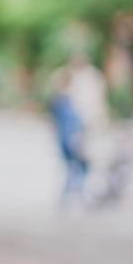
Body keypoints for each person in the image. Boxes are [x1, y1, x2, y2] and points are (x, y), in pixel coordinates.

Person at [47, 69, 89, 209]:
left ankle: (74, 194)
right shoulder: (64, 101)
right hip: (70, 140)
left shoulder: (62, 101)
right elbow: (71, 124)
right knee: (77, 167)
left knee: (74, 168)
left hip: (68, 140)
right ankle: (77, 194)